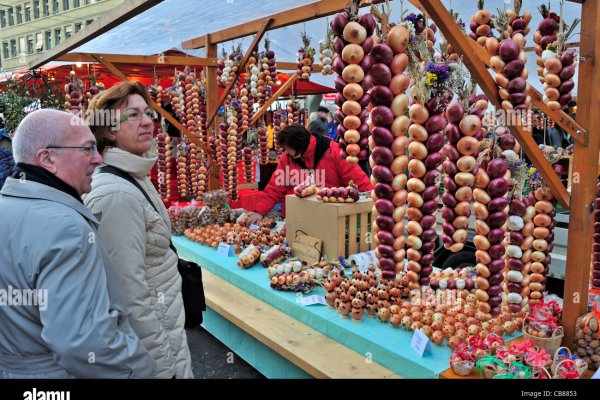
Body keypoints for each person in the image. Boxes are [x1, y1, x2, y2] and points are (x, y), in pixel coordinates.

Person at [0, 109, 156, 378]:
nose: (98, 159)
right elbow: (84, 342)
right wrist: (143, 370)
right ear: (47, 158)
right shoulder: (65, 227)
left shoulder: (9, 206)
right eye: (88, 149)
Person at [84, 81, 193, 379]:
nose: (147, 121)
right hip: (156, 347)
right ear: (107, 130)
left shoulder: (134, 176)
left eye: (148, 113)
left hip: (167, 323)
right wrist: (162, 365)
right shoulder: (116, 193)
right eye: (132, 116)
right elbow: (128, 294)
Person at [247, 125, 372, 224]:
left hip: (330, 218)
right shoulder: (288, 158)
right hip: (297, 218)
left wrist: (374, 207)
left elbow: (358, 181)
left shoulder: (334, 152)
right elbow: (275, 187)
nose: (285, 152)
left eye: (287, 148)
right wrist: (259, 212)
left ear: (299, 146)